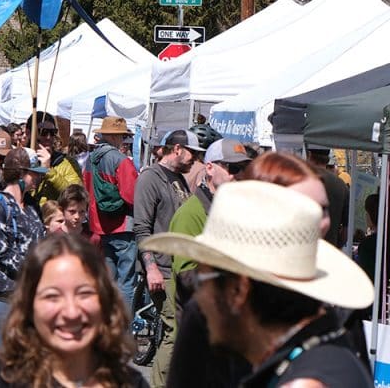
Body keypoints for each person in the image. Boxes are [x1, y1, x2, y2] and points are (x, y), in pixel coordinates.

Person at [141, 181, 374, 388]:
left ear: (238, 290)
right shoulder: (317, 349)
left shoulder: (305, 381)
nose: (198, 298)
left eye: (201, 280)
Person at [0, 235, 148, 388]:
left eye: (84, 293)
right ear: (29, 305)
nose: (71, 312)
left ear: (105, 301)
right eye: (52, 296)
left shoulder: (129, 382)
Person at [134, 129, 199, 385]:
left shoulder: (178, 179)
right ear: (177, 149)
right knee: (174, 329)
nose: (195, 160)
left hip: (178, 266)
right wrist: (150, 268)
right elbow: (141, 228)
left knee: (181, 329)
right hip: (160, 267)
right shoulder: (150, 178)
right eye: (193, 154)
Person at [169, 138, 250, 310]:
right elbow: (186, 278)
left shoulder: (234, 210)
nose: (239, 175)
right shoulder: (190, 213)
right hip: (201, 323)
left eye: (243, 168)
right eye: (233, 168)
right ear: (210, 168)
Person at [0, 147, 48, 347]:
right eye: (33, 174)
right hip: (3, 298)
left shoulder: (31, 205)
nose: (37, 178)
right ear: (20, 174)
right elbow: (2, 252)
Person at [82, 117, 138, 307]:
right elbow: (131, 196)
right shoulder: (121, 161)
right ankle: (122, 331)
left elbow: (86, 190)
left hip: (99, 226)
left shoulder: (90, 160)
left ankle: (105, 326)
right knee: (126, 283)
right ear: (118, 137)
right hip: (122, 226)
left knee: (107, 281)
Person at [305, 148, 350, 247]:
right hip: (330, 248)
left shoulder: (301, 181)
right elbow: (346, 230)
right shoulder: (341, 186)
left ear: (309, 155)